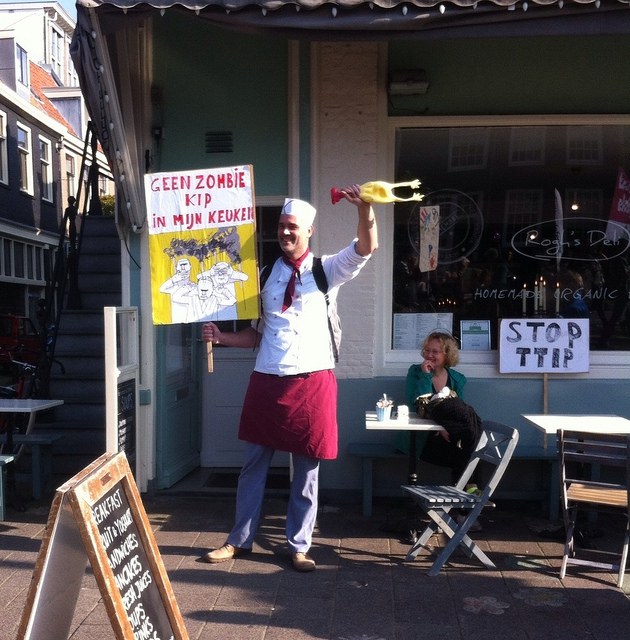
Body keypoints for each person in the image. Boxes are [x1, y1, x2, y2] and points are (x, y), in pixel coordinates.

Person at [201, 186, 378, 572]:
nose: (285, 233)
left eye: (292, 227)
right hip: (267, 379)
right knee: (253, 466)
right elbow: (257, 334)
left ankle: (299, 545)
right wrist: (224, 338)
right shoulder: (263, 275)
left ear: (309, 231)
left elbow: (367, 247)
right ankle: (238, 540)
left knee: (306, 471)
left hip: (312, 381)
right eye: (281, 226)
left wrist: (364, 209)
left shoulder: (326, 269)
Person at [403, 331, 472, 482]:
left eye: (435, 351)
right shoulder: (415, 372)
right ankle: (464, 494)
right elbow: (417, 404)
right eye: (427, 350)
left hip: (448, 436)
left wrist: (446, 428)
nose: (429, 355)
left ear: (447, 355)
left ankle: (465, 493)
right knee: (462, 454)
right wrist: (426, 376)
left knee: (470, 448)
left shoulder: (457, 379)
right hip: (422, 438)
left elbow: (458, 411)